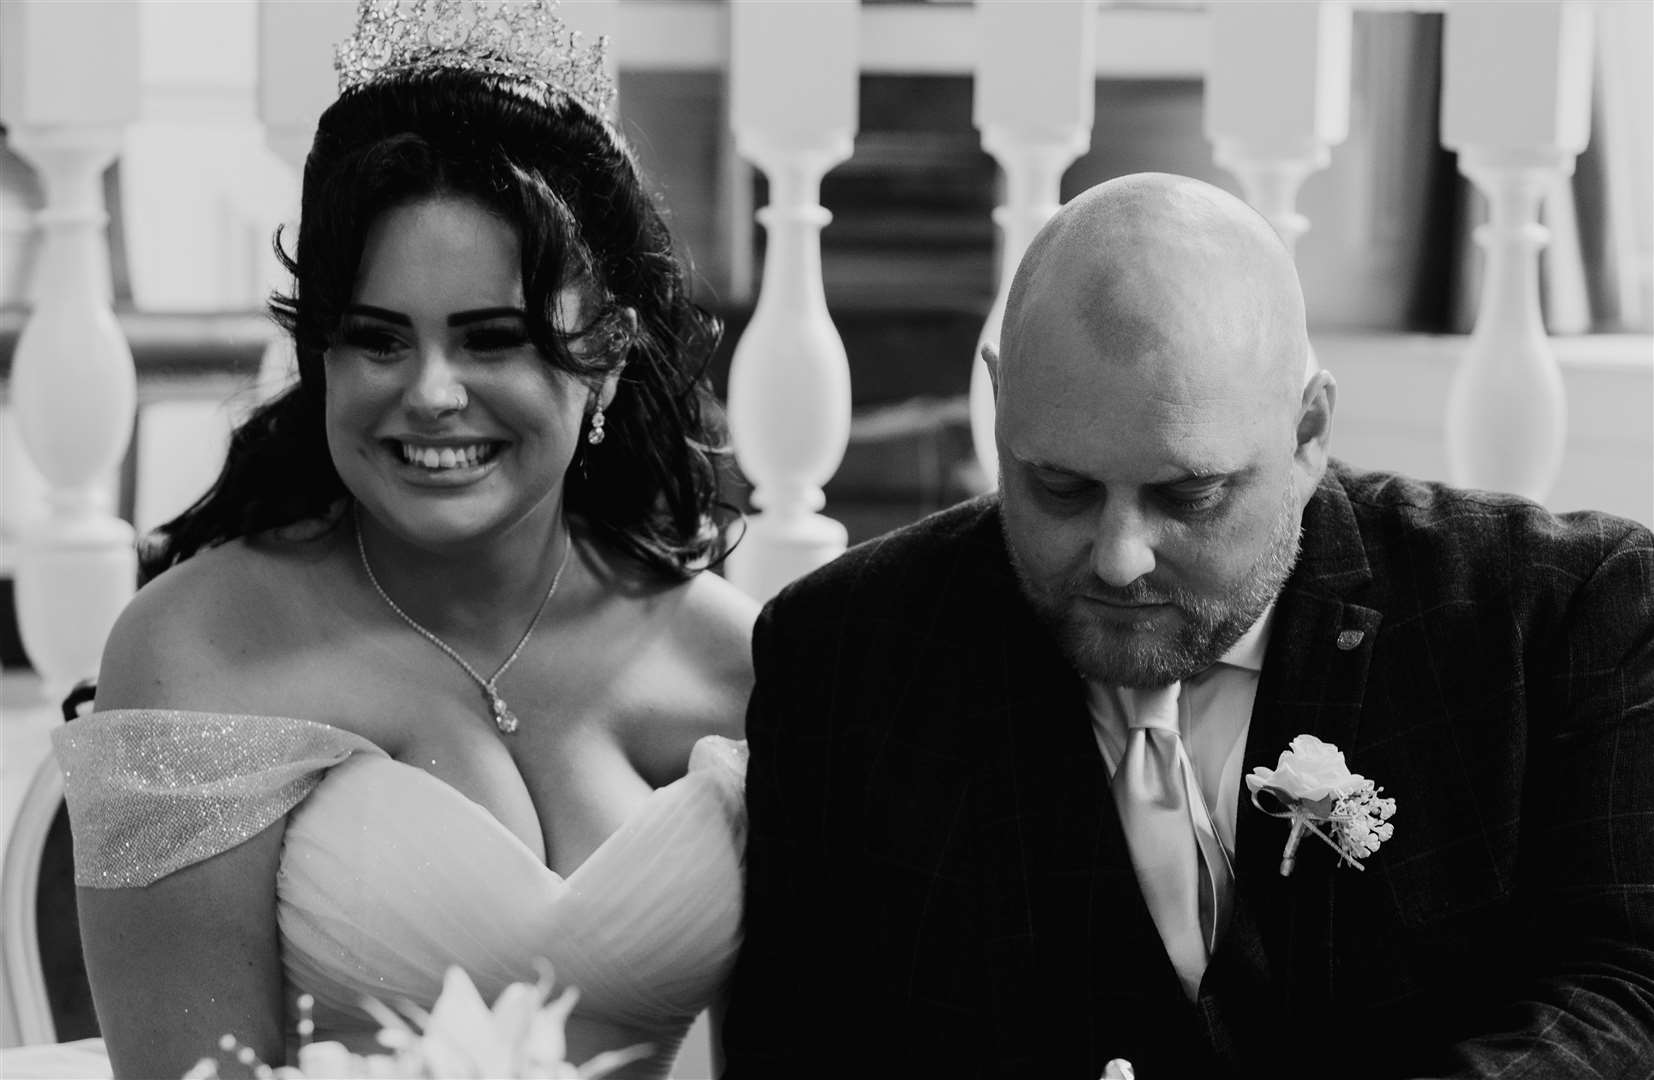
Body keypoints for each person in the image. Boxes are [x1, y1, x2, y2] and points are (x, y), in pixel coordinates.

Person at [721, 172, 1654, 1078]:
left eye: (1189, 495)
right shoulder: (842, 654)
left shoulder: (1558, 613)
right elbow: (794, 1050)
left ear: (1307, 432)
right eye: (1061, 487)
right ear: (1000, 405)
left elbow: (1625, 997)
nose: (1119, 556)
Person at [51, 3, 756, 1078]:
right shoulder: (195, 650)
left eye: (491, 339)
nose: (430, 394)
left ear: (606, 354)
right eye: (377, 339)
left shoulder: (731, 660)